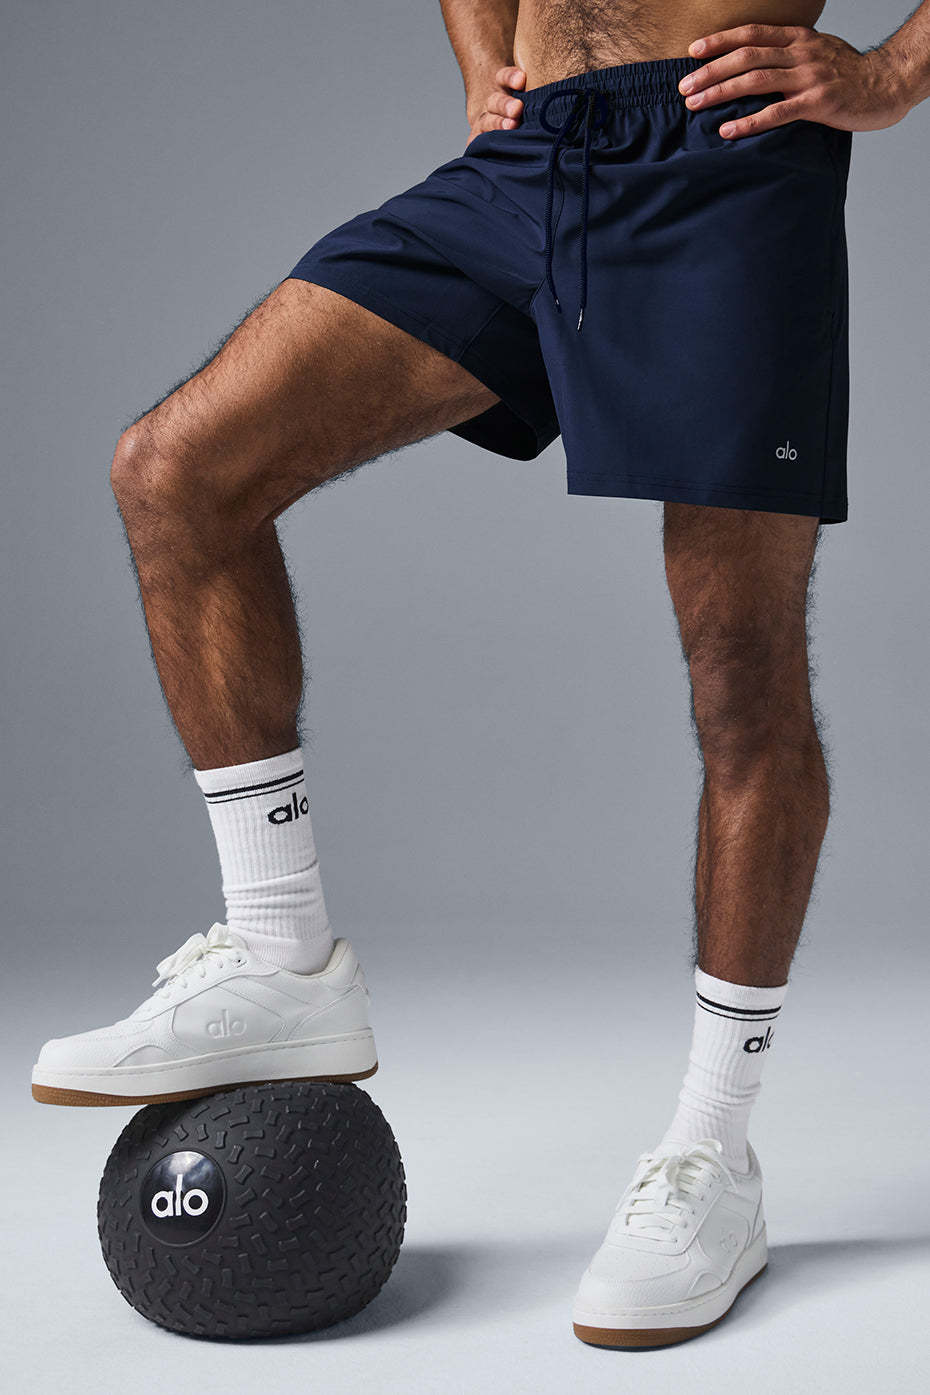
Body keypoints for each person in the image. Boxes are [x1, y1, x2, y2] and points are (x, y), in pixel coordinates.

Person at [31, 0, 930, 1348]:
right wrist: (483, 61)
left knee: (741, 679)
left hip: (723, 162)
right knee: (178, 470)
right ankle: (281, 952)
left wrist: (895, 70)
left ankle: (713, 1154)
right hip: (530, 162)